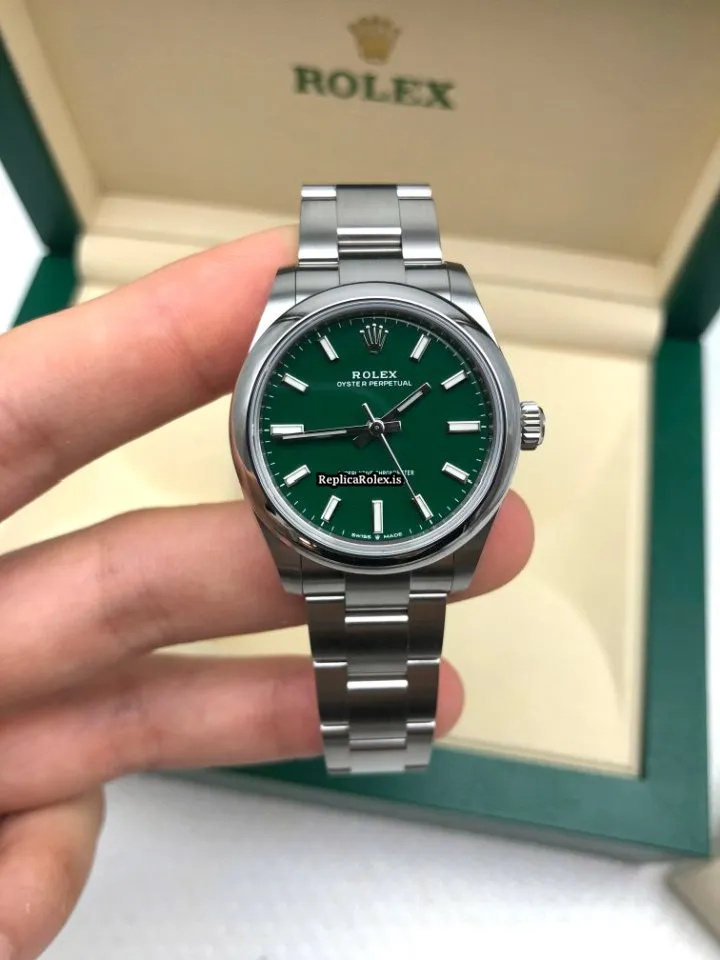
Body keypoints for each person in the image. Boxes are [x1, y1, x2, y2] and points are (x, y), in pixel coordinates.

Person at [0, 227, 533, 959]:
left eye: (387, 422)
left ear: (517, 428)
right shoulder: (302, 431)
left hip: (392, 519)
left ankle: (378, 737)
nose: (378, 427)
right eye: (373, 424)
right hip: (330, 521)